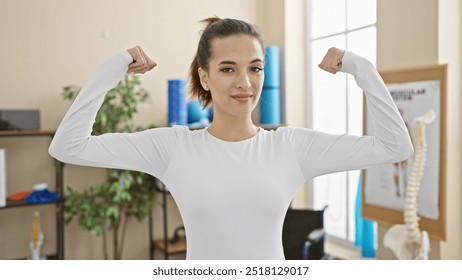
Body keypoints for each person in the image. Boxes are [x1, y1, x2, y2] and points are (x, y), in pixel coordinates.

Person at [49, 17, 413, 260]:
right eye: (228, 69)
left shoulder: (291, 147)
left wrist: (361, 69)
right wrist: (109, 71)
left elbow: (396, 146)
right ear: (205, 77)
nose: (244, 82)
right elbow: (68, 146)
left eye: (255, 68)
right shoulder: (174, 147)